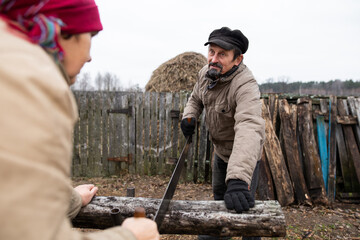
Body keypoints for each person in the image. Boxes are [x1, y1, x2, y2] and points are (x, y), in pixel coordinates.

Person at [0, 1, 159, 240]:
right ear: (63, 32)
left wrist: (70, 199)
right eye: (91, 35)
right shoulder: (30, 82)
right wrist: (131, 237)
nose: (89, 57)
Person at [181, 27, 265, 240]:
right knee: (220, 199)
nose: (214, 59)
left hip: (244, 157)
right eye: (212, 52)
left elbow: (249, 126)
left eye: (222, 54)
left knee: (244, 206)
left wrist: (237, 178)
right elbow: (195, 97)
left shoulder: (245, 85)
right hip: (220, 151)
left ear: (237, 60)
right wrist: (189, 115)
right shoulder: (206, 73)